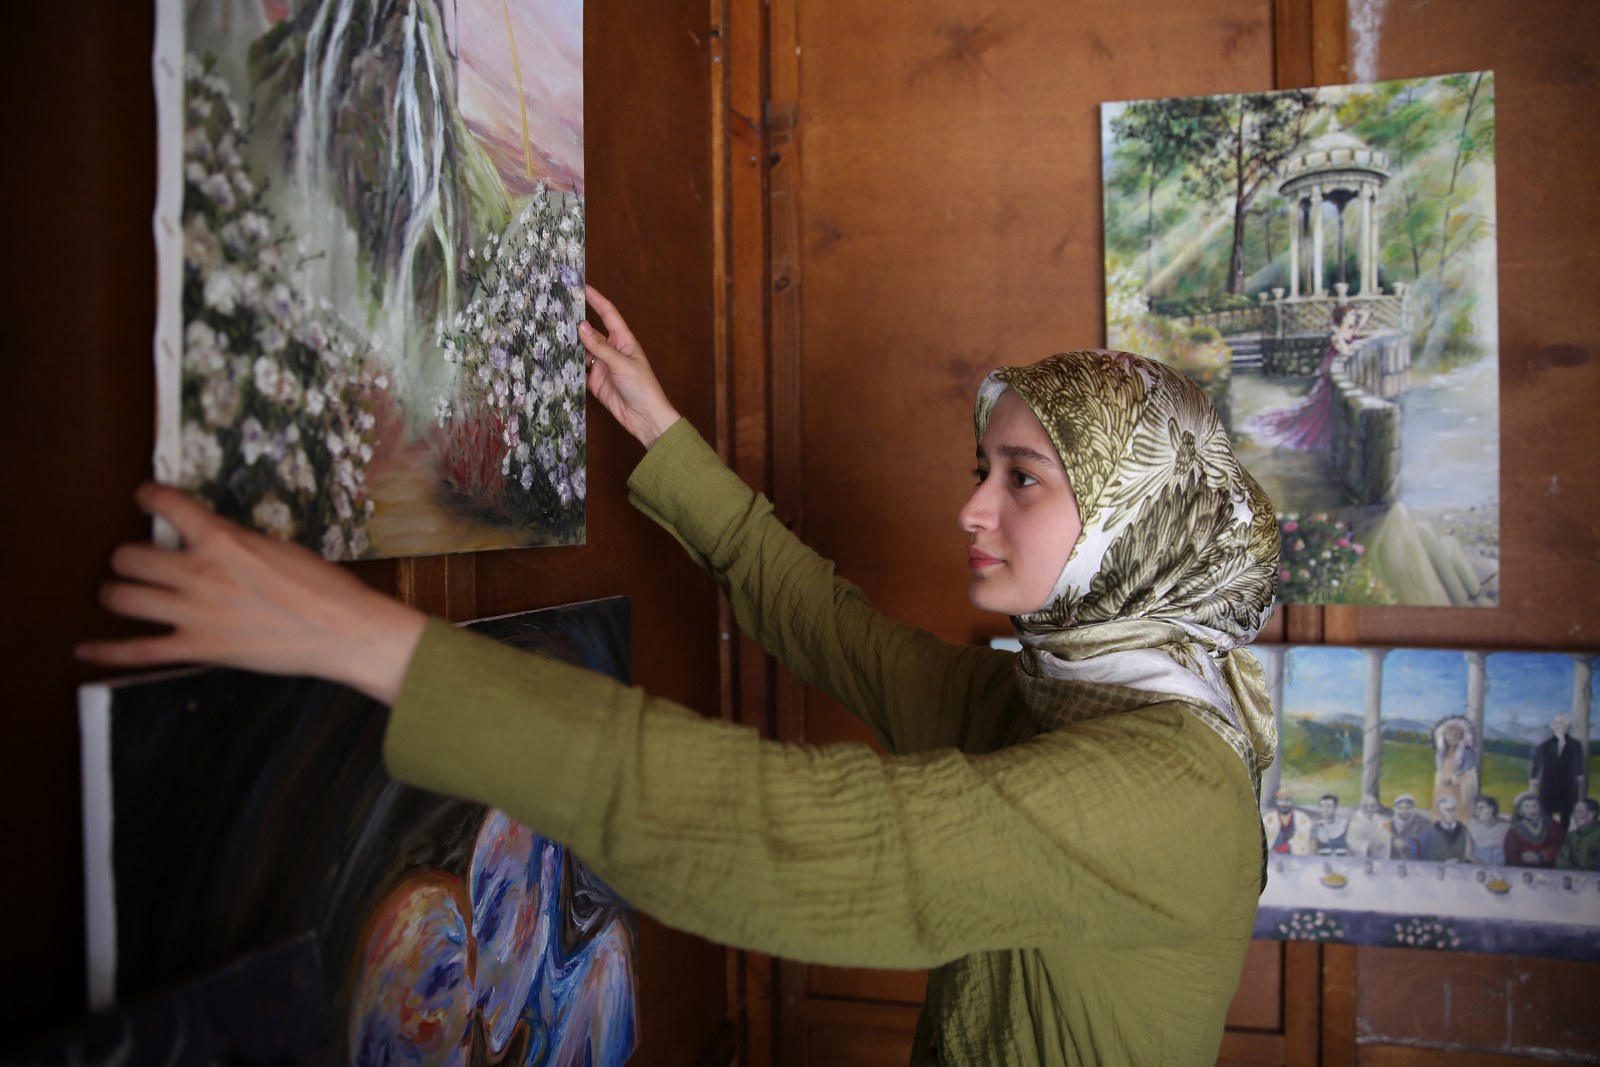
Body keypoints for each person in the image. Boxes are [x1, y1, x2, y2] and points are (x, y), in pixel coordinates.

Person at [78, 288, 1284, 1066]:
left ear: (1134, 518)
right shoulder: (1059, 694)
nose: (971, 507)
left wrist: (366, 640)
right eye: (983, 467)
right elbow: (835, 630)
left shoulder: (1163, 791)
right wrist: (662, 434)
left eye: (1021, 477)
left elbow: (797, 835)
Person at [1245, 304, 1370, 451]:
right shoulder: (1337, 337)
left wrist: (1356, 311)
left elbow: (1366, 314)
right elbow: (1346, 352)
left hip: (1341, 372)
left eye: (1354, 315)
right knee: (1321, 410)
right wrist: (1338, 331)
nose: (1354, 318)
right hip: (1331, 376)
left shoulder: (1352, 330)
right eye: (1351, 315)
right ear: (1343, 318)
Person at [1530, 714, 1586, 827]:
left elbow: (1579, 761)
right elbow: (1537, 764)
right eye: (1555, 723)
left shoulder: (1575, 745)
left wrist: (1580, 775)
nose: (1556, 726)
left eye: (1560, 723)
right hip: (1549, 784)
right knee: (1547, 812)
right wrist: (1534, 778)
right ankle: (1548, 834)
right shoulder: (1544, 745)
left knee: (1566, 812)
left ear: (1567, 726)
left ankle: (1563, 835)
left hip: (1567, 784)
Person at [1431, 716, 1480, 816]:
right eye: (1449, 735)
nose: (1452, 737)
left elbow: (1468, 767)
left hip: (1460, 779)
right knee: (1443, 798)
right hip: (1444, 779)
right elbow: (1440, 765)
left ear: (1461, 736)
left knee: (1458, 802)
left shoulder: (1466, 752)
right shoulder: (1442, 751)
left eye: (1456, 735)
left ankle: (1460, 817)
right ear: (1444, 736)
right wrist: (1442, 776)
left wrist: (1456, 776)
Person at [1504, 793, 1564, 868]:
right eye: (1527, 807)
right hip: (1523, 869)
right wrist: (1521, 857)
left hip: (1549, 869)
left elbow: (1560, 847)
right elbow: (1510, 852)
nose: (1532, 810)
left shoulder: (1552, 825)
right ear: (1520, 810)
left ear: (1540, 808)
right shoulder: (1514, 829)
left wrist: (1542, 856)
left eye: (1534, 806)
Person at [1419, 796, 1473, 862]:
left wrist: (1459, 860)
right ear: (1440, 811)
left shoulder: (1464, 830)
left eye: (1454, 809)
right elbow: (1426, 856)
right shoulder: (1431, 832)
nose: (1451, 813)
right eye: (1448, 810)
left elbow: (1470, 856)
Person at [1265, 789, 1314, 855]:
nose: (1284, 803)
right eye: (1281, 800)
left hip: (1295, 856)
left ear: (1292, 802)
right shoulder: (1268, 819)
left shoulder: (1302, 819)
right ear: (1276, 802)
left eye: (1287, 800)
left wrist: (1282, 848)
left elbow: (1303, 841)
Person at [1556, 798, 1600, 870]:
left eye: (1580, 812)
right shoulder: (1571, 836)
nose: (1575, 816)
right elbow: (1561, 862)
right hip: (1571, 875)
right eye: (1574, 812)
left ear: (1592, 814)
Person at [1345, 794, 1392, 859]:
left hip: (1379, 855)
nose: (1369, 809)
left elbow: (1386, 837)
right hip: (1359, 857)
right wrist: (1368, 846)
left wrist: (1378, 844)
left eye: (1373, 806)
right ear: (1361, 806)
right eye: (1365, 806)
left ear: (1377, 807)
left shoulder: (1383, 821)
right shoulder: (1354, 821)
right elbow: (1351, 842)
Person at [1467, 795, 1507, 866]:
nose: (1478, 812)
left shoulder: (1505, 828)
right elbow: (1469, 854)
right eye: (1476, 809)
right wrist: (1484, 866)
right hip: (1480, 867)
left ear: (1491, 809)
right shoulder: (1471, 828)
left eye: (1481, 808)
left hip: (1503, 867)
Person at [1386, 795, 1428, 860]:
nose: (1404, 811)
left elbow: (1424, 843)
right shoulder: (1388, 824)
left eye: (1408, 808)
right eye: (1401, 808)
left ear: (1412, 809)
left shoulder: (1422, 824)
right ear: (1395, 809)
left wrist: (1406, 843)